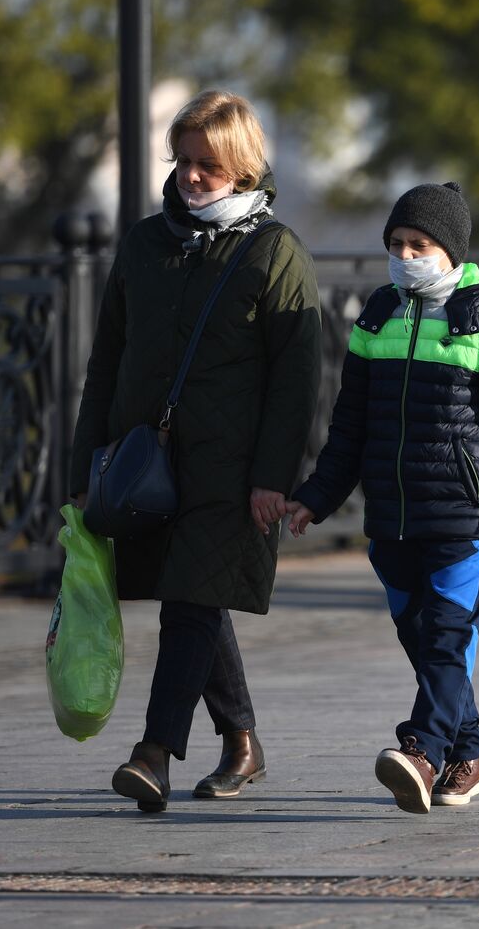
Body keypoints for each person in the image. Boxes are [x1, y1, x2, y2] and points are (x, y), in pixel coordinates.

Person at [284, 181, 479, 814]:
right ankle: (467, 760)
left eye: (420, 244)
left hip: (462, 517)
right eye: (396, 243)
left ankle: (420, 751)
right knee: (423, 640)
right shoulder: (376, 317)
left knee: (446, 637)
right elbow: (350, 427)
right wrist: (317, 496)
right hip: (389, 518)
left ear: (451, 250)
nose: (406, 254)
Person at [69, 90, 322, 812]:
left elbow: (297, 382)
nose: (190, 176)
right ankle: (242, 739)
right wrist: (87, 464)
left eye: (207, 164)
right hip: (145, 464)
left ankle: (153, 753)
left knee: (189, 602)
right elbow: (106, 359)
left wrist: (274, 478)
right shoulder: (145, 244)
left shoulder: (275, 252)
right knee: (196, 596)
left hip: (232, 468)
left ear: (241, 165)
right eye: (181, 161)